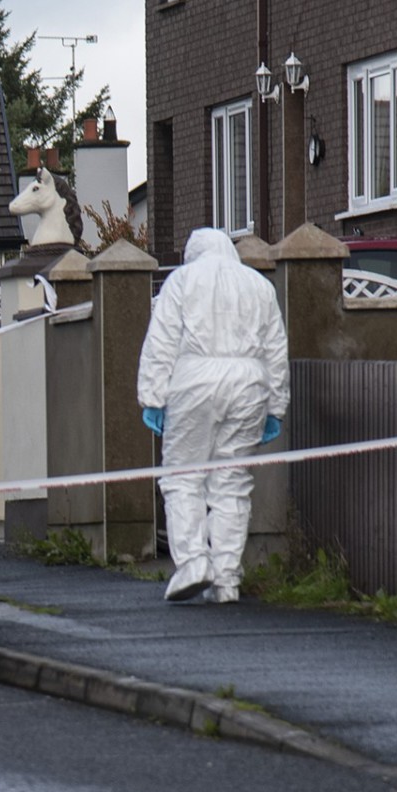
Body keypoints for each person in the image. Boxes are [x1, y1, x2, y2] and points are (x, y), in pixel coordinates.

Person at [137, 228, 290, 605]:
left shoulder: (182, 281)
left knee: (182, 476)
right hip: (249, 383)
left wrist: (152, 397)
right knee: (232, 483)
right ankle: (226, 579)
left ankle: (192, 563)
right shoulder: (259, 286)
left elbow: (162, 341)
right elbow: (275, 349)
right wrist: (276, 406)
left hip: (195, 380)